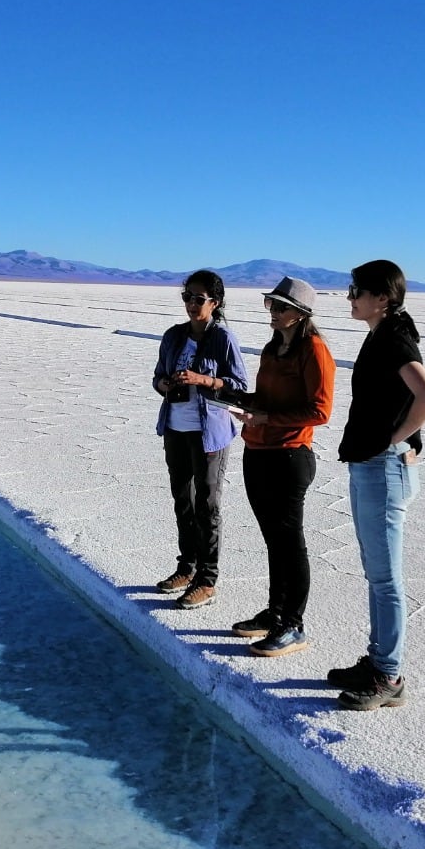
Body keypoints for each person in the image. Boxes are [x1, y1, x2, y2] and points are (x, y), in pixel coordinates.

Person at [327, 260, 425, 710]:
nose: (351, 297)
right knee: (377, 573)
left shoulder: (394, 339)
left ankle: (389, 675)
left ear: (383, 298)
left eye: (357, 290)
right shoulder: (380, 335)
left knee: (387, 578)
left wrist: (391, 441)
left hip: (383, 468)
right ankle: (378, 662)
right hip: (372, 465)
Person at [229, 277, 335, 658]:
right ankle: (276, 612)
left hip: (289, 456)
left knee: (291, 543)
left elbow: (319, 411)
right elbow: (268, 398)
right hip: (257, 450)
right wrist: (239, 399)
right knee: (274, 539)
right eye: (271, 305)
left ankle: (294, 624)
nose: (273, 313)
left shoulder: (314, 350)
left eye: (281, 307)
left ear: (301, 314)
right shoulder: (274, 348)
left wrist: (266, 417)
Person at [152, 269, 249, 610]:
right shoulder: (173, 336)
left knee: (207, 504)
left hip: (210, 433)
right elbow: (157, 377)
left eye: (199, 299)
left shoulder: (222, 339)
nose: (192, 304)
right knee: (183, 499)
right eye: (188, 297)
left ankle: (207, 580)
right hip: (176, 427)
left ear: (215, 303)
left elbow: (237, 385)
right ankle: (186, 568)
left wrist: (202, 380)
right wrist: (166, 384)